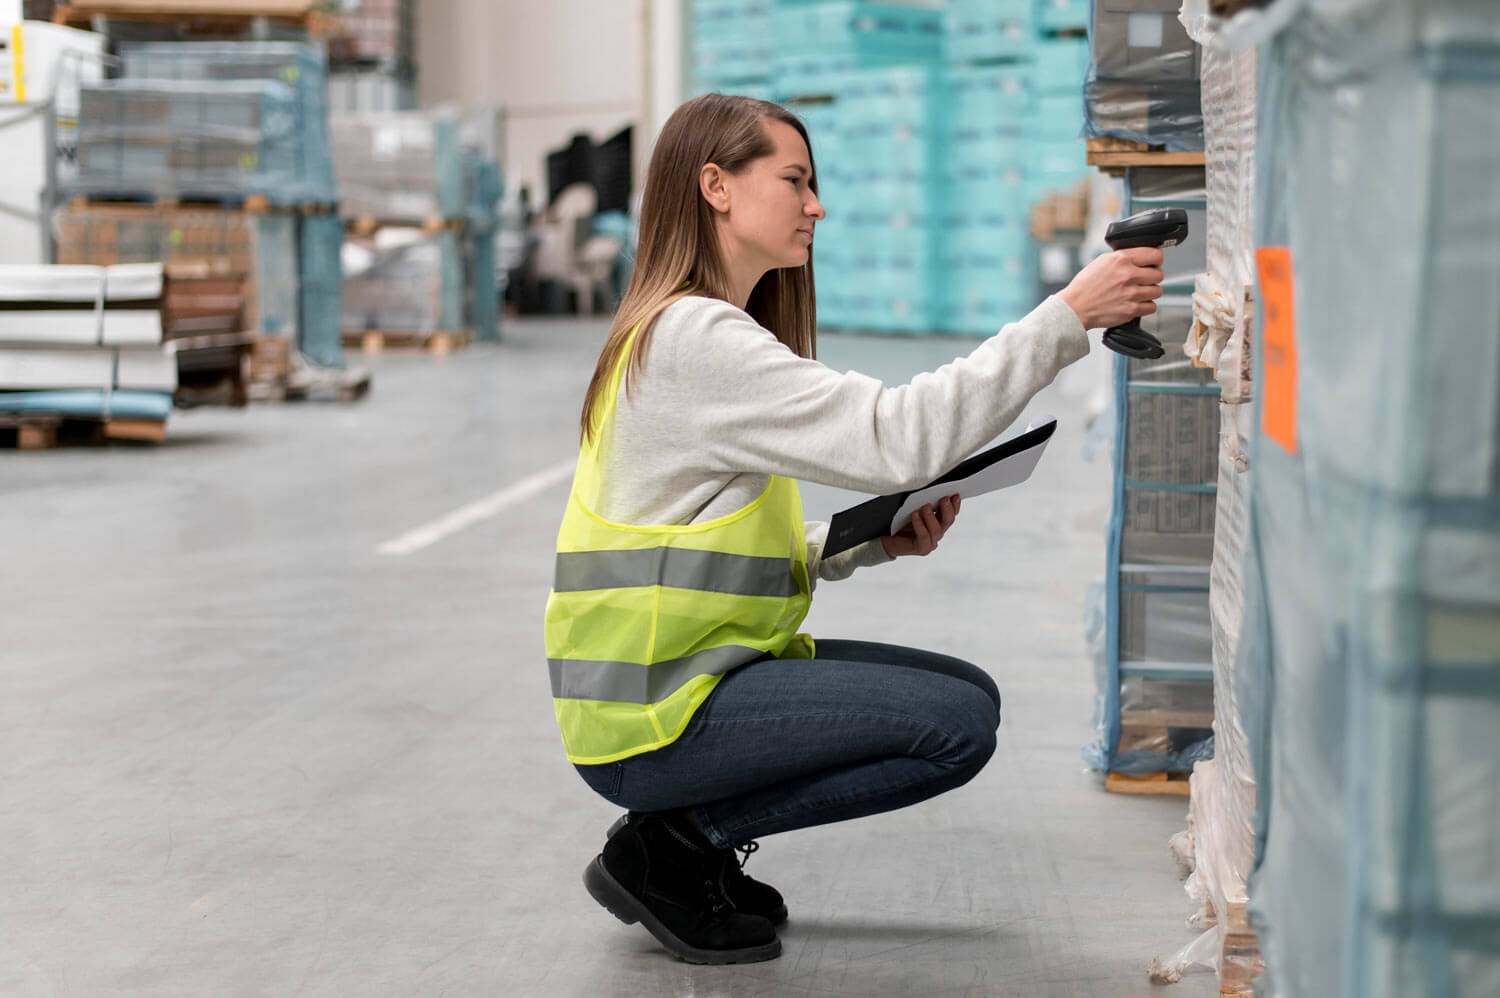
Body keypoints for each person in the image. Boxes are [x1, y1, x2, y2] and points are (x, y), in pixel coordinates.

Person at [543, 93, 1164, 965]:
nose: (816, 206)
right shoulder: (693, 338)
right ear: (715, 186)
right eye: (795, 181)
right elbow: (898, 439)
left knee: (969, 696)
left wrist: (865, 540)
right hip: (654, 719)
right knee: (952, 726)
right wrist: (1067, 316)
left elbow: (695, 552)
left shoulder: (683, 330)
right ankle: (675, 843)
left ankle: (688, 838)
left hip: (668, 689)